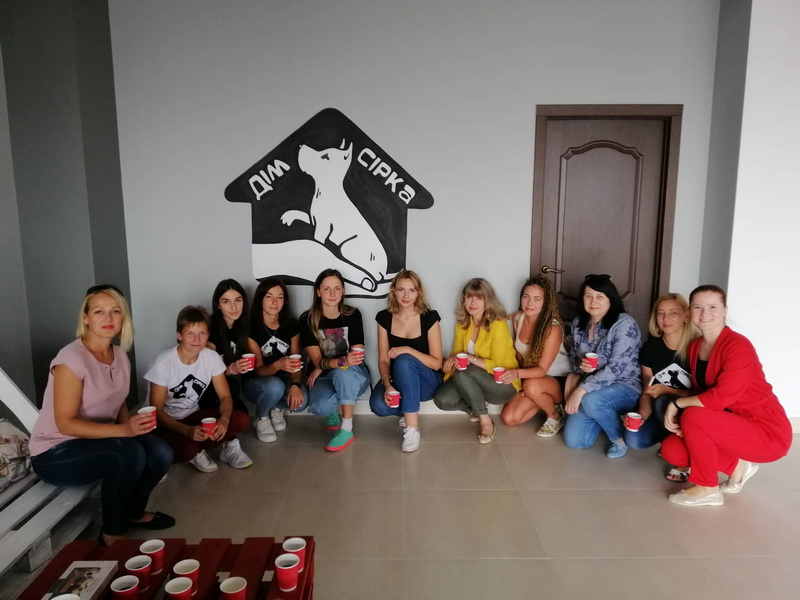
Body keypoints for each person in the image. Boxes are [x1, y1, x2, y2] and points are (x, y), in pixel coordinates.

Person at [29, 285, 175, 546]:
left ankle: (133, 512)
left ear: (123, 318)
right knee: (127, 453)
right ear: (85, 318)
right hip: (55, 452)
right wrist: (124, 432)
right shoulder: (71, 359)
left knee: (161, 451)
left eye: (115, 311)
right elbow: (65, 424)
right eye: (99, 311)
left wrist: (132, 430)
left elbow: (118, 401)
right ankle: (112, 532)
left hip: (97, 441)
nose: (108, 318)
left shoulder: (119, 355)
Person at [661, 285, 792, 506]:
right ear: (690, 311)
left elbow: (719, 398)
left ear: (725, 310)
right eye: (698, 307)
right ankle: (738, 467)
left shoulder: (738, 346)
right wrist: (688, 423)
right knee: (672, 450)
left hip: (766, 431)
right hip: (729, 424)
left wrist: (676, 404)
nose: (705, 313)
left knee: (693, 415)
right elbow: (701, 393)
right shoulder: (695, 347)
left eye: (713, 307)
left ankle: (707, 488)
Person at [145, 305, 253, 473]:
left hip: (192, 416)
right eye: (190, 333)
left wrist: (224, 420)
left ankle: (199, 446)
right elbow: (157, 411)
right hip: (165, 423)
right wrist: (186, 431)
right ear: (179, 335)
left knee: (240, 419)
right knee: (188, 449)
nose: (197, 339)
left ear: (208, 335)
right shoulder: (164, 363)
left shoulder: (211, 357)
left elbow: (225, 396)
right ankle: (178, 452)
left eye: (202, 333)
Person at [563, 274, 642, 458]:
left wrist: (580, 391)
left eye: (600, 296)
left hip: (625, 385)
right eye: (588, 296)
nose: (593, 301)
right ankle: (604, 415)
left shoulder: (624, 324)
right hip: (592, 389)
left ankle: (619, 439)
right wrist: (581, 366)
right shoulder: (578, 323)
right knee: (574, 441)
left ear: (610, 299)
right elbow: (574, 359)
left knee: (591, 401)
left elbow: (616, 369)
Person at [434, 278, 520, 444]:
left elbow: (497, 365)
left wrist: (470, 358)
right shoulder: (463, 324)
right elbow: (457, 353)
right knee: (442, 400)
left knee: (462, 373)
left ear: (488, 301)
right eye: (469, 297)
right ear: (463, 300)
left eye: (479, 298)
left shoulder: (498, 324)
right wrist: (451, 360)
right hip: (470, 377)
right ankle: (476, 407)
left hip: (502, 384)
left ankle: (486, 421)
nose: (473, 302)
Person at [369, 270, 444, 452]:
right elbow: (383, 360)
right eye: (401, 290)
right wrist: (388, 385)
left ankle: (412, 429)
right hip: (398, 380)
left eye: (411, 290)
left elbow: (437, 363)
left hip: (428, 381)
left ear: (418, 293)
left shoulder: (429, 317)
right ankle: (409, 409)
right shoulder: (384, 318)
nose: (406, 296)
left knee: (403, 360)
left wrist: (408, 350)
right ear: (394, 291)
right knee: (378, 405)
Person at [625, 294, 695, 479]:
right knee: (634, 439)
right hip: (659, 413)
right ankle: (669, 442)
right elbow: (647, 390)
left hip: (691, 411)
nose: (666, 318)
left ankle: (684, 461)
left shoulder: (697, 347)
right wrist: (641, 416)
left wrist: (668, 390)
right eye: (661, 313)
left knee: (663, 401)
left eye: (673, 313)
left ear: (686, 315)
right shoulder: (650, 348)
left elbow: (704, 394)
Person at [300, 269, 370, 452]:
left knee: (343, 373)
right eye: (327, 289)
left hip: (352, 374)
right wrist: (326, 364)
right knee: (320, 407)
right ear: (318, 292)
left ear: (343, 291)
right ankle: (332, 409)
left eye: (337, 288)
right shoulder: (308, 319)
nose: (332, 294)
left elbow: (355, 358)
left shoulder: (353, 314)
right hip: (323, 376)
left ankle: (347, 429)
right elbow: (317, 360)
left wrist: (327, 364)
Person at [500, 276, 571, 437]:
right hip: (531, 379)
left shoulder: (553, 329)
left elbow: (542, 370)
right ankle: (539, 399)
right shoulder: (518, 318)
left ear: (546, 302)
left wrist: (517, 375)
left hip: (555, 380)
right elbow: (520, 356)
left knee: (532, 386)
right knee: (509, 418)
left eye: (537, 299)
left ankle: (555, 416)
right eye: (526, 297)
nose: (530, 303)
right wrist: (521, 382)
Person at [244, 277, 308, 442]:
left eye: (279, 297)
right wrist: (278, 365)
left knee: (302, 400)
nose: (274, 302)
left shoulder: (291, 325)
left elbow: (296, 362)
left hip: (284, 379)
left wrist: (295, 385)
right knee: (275, 386)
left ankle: (275, 406)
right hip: (257, 382)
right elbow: (259, 371)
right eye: (269, 296)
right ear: (260, 299)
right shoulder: (251, 328)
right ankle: (262, 416)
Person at [202, 279, 257, 414]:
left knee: (242, 414)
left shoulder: (244, 324)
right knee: (232, 386)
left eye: (238, 300)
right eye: (226, 301)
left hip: (231, 385)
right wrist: (232, 369)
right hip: (207, 388)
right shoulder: (210, 327)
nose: (234, 307)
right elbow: (204, 373)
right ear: (218, 305)